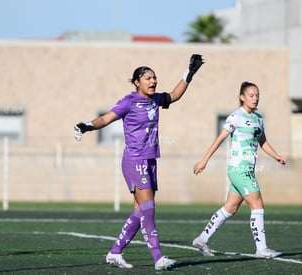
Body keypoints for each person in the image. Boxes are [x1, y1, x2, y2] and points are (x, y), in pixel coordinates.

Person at [73, 54, 204, 270]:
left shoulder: (155, 100)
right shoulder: (129, 101)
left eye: (154, 78)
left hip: (150, 160)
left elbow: (174, 95)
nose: (153, 81)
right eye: (148, 78)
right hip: (135, 160)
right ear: (137, 82)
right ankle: (158, 258)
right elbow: (106, 118)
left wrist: (189, 73)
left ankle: (114, 253)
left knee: (138, 212)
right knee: (149, 209)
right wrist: (87, 125)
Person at [192, 81, 287, 259]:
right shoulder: (235, 117)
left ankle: (201, 239)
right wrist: (204, 160)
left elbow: (263, 142)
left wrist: (277, 156)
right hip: (239, 169)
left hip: (247, 170)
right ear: (242, 97)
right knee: (257, 205)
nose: (255, 98)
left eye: (257, 95)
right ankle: (262, 249)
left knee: (230, 208)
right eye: (251, 95)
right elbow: (219, 139)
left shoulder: (259, 118)